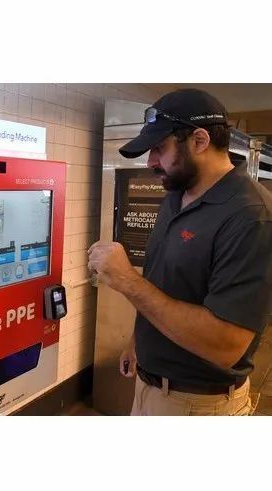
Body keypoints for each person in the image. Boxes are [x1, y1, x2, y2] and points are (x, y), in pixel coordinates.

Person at [88, 88, 272, 416]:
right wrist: (136, 341)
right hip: (148, 386)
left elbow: (225, 345)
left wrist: (127, 280)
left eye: (159, 148)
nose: (151, 163)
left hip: (198, 405)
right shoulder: (176, 195)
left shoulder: (252, 217)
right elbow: (164, 283)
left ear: (199, 141)